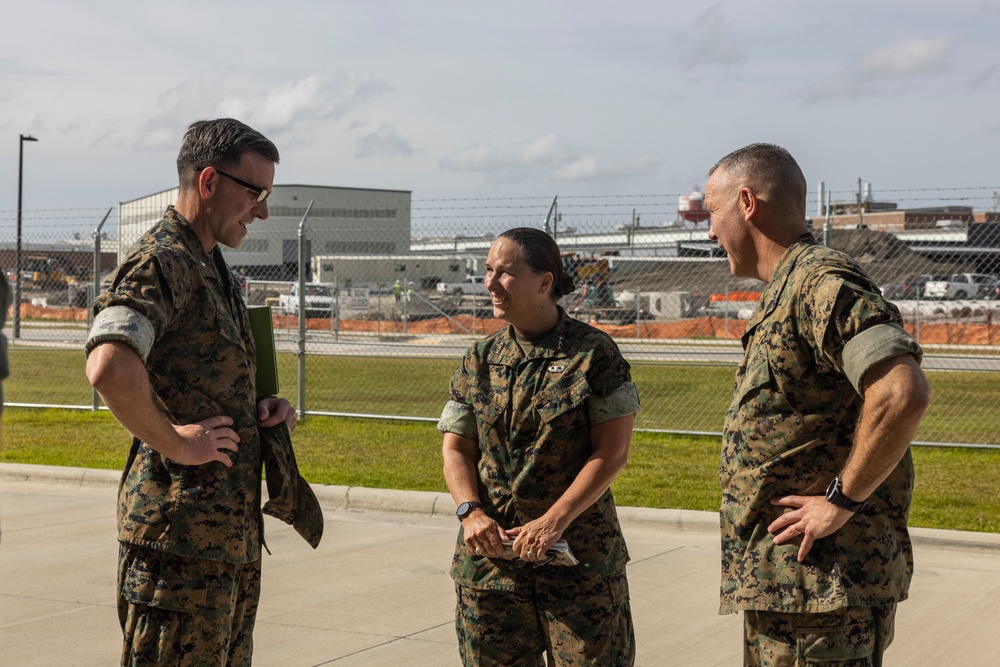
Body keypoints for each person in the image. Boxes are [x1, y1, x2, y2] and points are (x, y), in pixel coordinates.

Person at [705, 143, 931, 666]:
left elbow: (901, 392)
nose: (709, 232)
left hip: (824, 592)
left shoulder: (818, 283)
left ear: (746, 202)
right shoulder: (786, 289)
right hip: (791, 589)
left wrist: (840, 502)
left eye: (713, 213)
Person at [85, 118, 296, 667]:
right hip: (177, 549)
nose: (263, 210)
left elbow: (199, 375)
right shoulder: (162, 260)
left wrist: (260, 411)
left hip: (221, 542)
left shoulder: (208, 263)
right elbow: (109, 365)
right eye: (255, 193)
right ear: (208, 181)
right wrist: (177, 443)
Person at [438, 227, 640, 666]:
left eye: (505, 273)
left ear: (544, 282)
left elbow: (611, 451)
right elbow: (456, 447)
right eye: (488, 271)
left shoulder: (594, 354)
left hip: (578, 569)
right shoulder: (479, 358)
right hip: (492, 572)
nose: (490, 284)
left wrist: (554, 520)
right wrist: (469, 512)